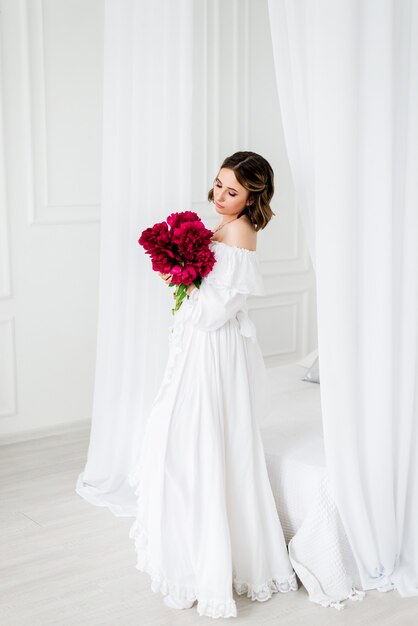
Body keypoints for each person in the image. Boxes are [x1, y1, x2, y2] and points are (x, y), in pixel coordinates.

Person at [128, 151, 298, 619]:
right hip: (198, 348)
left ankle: (209, 566)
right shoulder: (219, 225)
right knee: (183, 438)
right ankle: (187, 554)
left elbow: (215, 311)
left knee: (203, 442)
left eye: (232, 191)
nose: (220, 197)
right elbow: (202, 298)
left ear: (252, 197)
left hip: (216, 351)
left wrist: (176, 277)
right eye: (219, 184)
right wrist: (181, 271)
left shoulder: (241, 233)